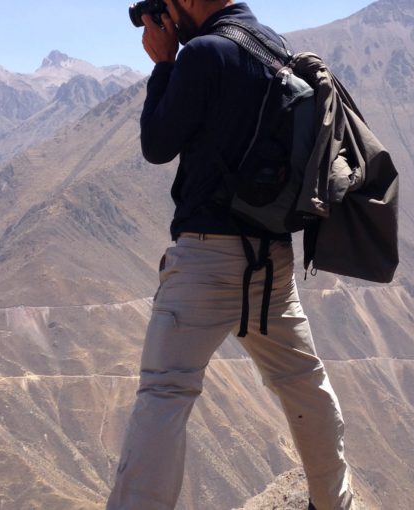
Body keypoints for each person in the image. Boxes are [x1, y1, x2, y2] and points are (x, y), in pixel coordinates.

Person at [106, 1, 354, 509]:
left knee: (165, 393)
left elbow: (157, 144)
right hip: (272, 261)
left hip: (204, 261)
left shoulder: (203, 53)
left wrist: (164, 64)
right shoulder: (275, 48)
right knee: (303, 382)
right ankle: (334, 503)